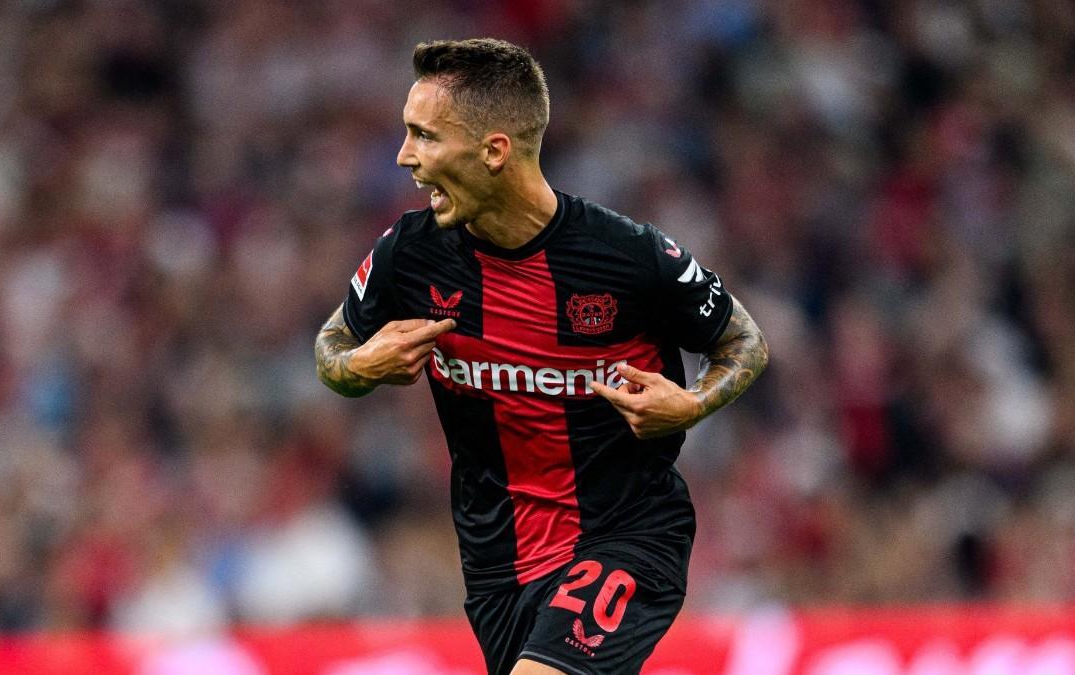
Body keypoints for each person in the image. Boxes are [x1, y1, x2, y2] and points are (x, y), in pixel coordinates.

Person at [315, 38, 768, 675]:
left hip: (625, 537)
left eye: (424, 136)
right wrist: (357, 370)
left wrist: (690, 403)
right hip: (497, 567)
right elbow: (331, 347)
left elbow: (744, 341)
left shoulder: (626, 257)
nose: (404, 157)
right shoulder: (410, 255)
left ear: (494, 151)